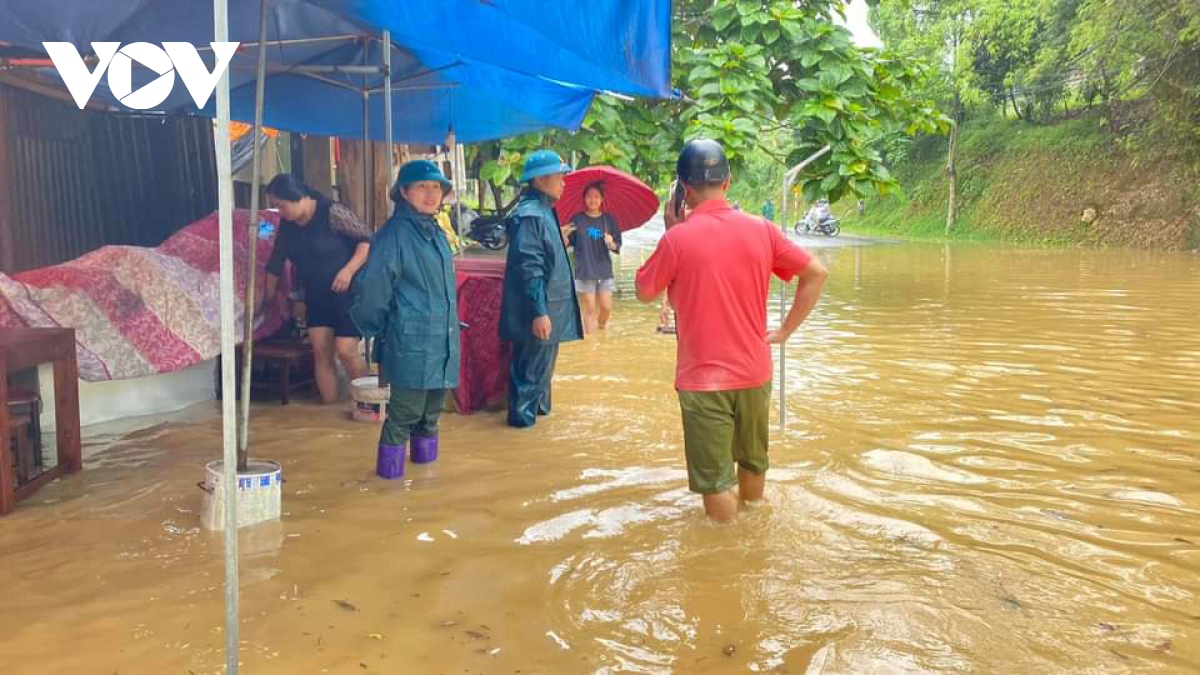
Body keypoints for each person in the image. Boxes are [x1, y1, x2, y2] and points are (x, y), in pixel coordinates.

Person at [635, 139, 828, 522]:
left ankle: (727, 564)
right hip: (755, 373)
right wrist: (785, 331)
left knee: (716, 483)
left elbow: (644, 291)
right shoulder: (763, 230)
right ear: (728, 183)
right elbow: (816, 274)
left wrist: (672, 230)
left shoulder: (677, 239)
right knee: (753, 462)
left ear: (683, 190)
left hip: (703, 382)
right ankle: (755, 536)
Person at [351, 160, 460, 476]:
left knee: (431, 416)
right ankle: (389, 488)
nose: (430, 194)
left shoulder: (436, 233)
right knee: (403, 416)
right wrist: (376, 330)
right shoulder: (394, 234)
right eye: (422, 187)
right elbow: (372, 290)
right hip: (409, 342)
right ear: (404, 191)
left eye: (436, 187)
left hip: (443, 342)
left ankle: (426, 485)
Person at [264, 174, 371, 403]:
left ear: (296, 197)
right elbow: (276, 261)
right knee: (321, 353)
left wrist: (349, 271)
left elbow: (367, 240)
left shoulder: (332, 212)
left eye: (281, 205)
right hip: (315, 295)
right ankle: (329, 412)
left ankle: (368, 403)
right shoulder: (287, 226)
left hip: (347, 293)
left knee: (346, 350)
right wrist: (268, 297)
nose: (279, 212)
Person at [499, 150, 584, 428]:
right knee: (529, 382)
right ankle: (522, 441)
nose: (563, 181)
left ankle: (540, 435)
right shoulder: (532, 216)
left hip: (549, 312)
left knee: (540, 381)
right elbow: (530, 267)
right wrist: (538, 312)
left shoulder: (543, 212)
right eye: (558, 175)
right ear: (538, 180)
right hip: (540, 315)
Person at [562, 182, 622, 335]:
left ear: (602, 199)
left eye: (596, 197)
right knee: (589, 309)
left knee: (606, 308)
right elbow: (568, 244)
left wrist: (611, 243)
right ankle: (591, 345)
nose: (593, 200)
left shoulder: (609, 220)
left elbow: (617, 246)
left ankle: (601, 329)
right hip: (585, 270)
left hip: (604, 269)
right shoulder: (577, 219)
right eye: (589, 196)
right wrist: (564, 235)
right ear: (584, 199)